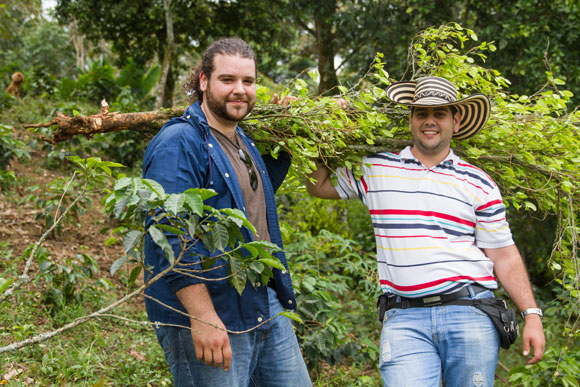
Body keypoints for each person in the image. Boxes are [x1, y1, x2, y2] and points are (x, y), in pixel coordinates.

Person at [306, 76, 545, 386]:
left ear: (455, 122)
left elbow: (504, 254)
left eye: (440, 114)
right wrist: (326, 129)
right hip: (404, 318)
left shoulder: (479, 183)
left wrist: (532, 315)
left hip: (470, 312)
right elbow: (318, 186)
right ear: (411, 120)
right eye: (422, 113)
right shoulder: (375, 169)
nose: (430, 121)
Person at [142, 37, 311, 387]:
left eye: (248, 82)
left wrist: (288, 125)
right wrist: (203, 316)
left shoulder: (243, 139)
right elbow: (168, 231)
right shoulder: (180, 141)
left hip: (261, 300)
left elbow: (247, 196)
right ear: (203, 81)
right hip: (210, 307)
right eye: (228, 80)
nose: (240, 90)